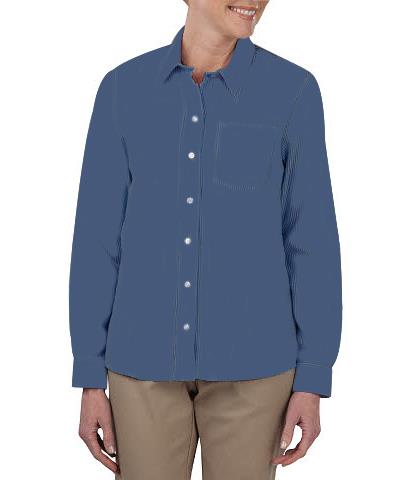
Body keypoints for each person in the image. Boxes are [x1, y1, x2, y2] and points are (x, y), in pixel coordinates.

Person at [69, 1, 342, 478]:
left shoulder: (293, 92)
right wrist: (90, 376)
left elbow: (311, 241)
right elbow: (96, 239)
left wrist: (314, 375)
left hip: (256, 370)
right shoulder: (122, 91)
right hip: (141, 365)